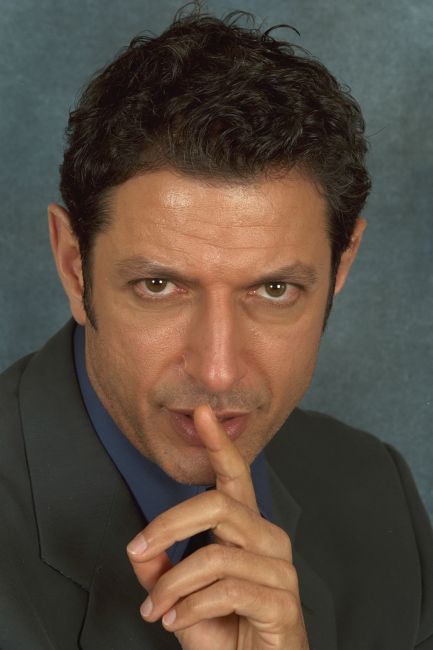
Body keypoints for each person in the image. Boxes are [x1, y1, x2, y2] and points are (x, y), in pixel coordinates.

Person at [1, 4, 432, 649]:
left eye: (274, 290)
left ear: (341, 267)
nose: (218, 372)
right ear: (72, 266)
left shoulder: (376, 487)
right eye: (158, 286)